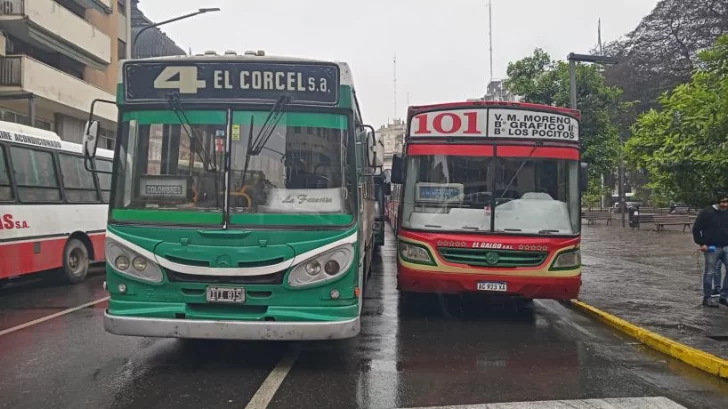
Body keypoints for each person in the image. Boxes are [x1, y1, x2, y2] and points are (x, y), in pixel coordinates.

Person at [692, 192, 728, 307]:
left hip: (727, 247)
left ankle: (724, 296)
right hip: (711, 248)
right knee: (710, 273)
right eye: (722, 202)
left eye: (727, 202)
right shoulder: (706, 213)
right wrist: (701, 243)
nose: (725, 204)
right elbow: (696, 228)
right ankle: (707, 299)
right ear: (717, 202)